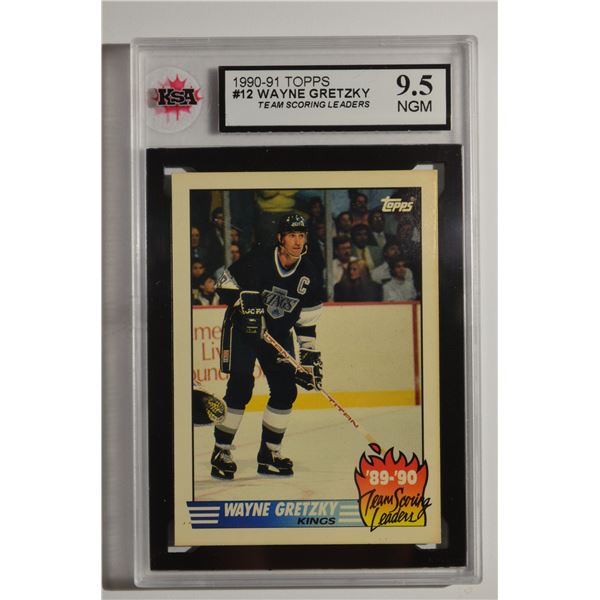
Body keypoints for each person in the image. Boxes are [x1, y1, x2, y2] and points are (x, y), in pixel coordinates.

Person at [211, 214, 323, 480]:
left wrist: (309, 358)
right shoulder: (260, 258)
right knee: (241, 386)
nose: (297, 241)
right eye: (292, 235)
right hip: (243, 331)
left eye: (301, 236)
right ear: (280, 238)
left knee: (285, 390)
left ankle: (269, 453)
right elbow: (224, 283)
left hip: (277, 334)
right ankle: (221, 451)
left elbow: (307, 323)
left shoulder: (309, 273)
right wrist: (243, 303)